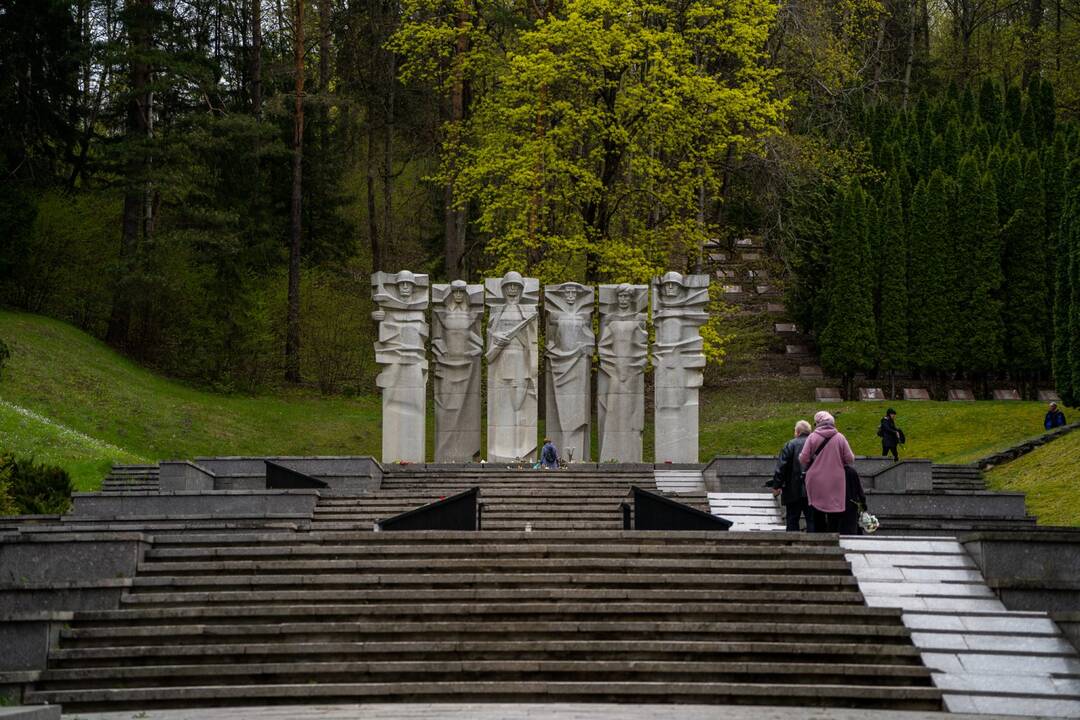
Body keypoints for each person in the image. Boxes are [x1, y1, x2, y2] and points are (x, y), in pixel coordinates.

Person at [799, 411, 856, 534]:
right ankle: (833, 537)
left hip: (815, 481)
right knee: (834, 512)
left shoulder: (812, 437)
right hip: (836, 481)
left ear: (818, 423)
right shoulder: (840, 437)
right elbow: (850, 459)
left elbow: (803, 459)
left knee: (817, 512)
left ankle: (820, 540)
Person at [766, 420, 814, 532]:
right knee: (812, 520)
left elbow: (781, 467)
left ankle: (793, 545)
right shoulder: (815, 445)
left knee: (792, 519)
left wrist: (776, 486)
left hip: (792, 490)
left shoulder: (790, 445)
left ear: (797, 432)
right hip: (812, 490)